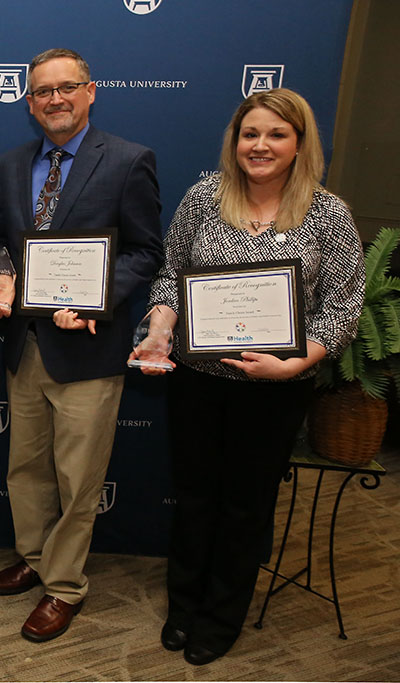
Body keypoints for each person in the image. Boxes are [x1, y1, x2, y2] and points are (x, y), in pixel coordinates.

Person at [130, 88, 364, 665]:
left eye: (276, 135)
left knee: (245, 505)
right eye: (250, 134)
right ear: (234, 142)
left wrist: (298, 360)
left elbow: (343, 303)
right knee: (195, 497)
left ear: (299, 144)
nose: (260, 145)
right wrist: (160, 330)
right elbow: (170, 278)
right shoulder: (205, 197)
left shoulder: (327, 212)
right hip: (198, 379)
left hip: (275, 389)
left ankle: (221, 615)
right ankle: (183, 606)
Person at [0, 48, 163, 640]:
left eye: (65, 88)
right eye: (41, 92)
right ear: (29, 103)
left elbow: (145, 253)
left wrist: (96, 299)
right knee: (25, 467)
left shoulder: (130, 160)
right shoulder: (10, 164)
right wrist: (3, 269)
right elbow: (8, 243)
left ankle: (64, 586)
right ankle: (33, 558)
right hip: (24, 342)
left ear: (89, 91)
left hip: (88, 349)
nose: (54, 99)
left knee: (78, 478)